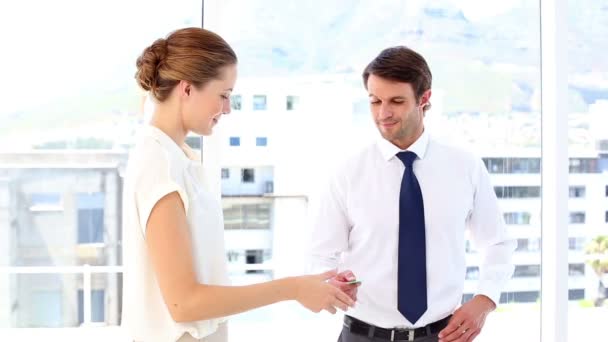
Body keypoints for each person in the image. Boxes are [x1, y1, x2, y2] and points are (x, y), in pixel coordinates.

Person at [121, 27, 358, 342]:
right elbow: (184, 304)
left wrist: (308, 285)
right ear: (187, 89)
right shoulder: (159, 164)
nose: (227, 109)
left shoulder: (179, 159)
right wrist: (294, 288)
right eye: (223, 95)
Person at [309, 46, 516, 342]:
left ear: (424, 98)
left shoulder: (465, 167)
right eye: (374, 101)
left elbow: (498, 243)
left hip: (443, 335)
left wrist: (485, 300)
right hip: (362, 335)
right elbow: (320, 254)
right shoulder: (347, 172)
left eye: (396, 101)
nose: (383, 113)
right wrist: (332, 281)